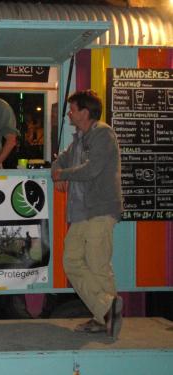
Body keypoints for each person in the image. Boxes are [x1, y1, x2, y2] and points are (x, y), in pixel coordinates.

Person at [51, 89, 123, 339]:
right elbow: (61, 159)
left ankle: (103, 317)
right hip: (82, 213)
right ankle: (106, 310)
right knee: (71, 260)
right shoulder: (79, 137)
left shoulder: (103, 134)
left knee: (98, 265)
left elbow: (92, 170)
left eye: (72, 109)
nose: (68, 113)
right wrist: (57, 168)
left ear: (84, 112)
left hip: (101, 209)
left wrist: (64, 174)